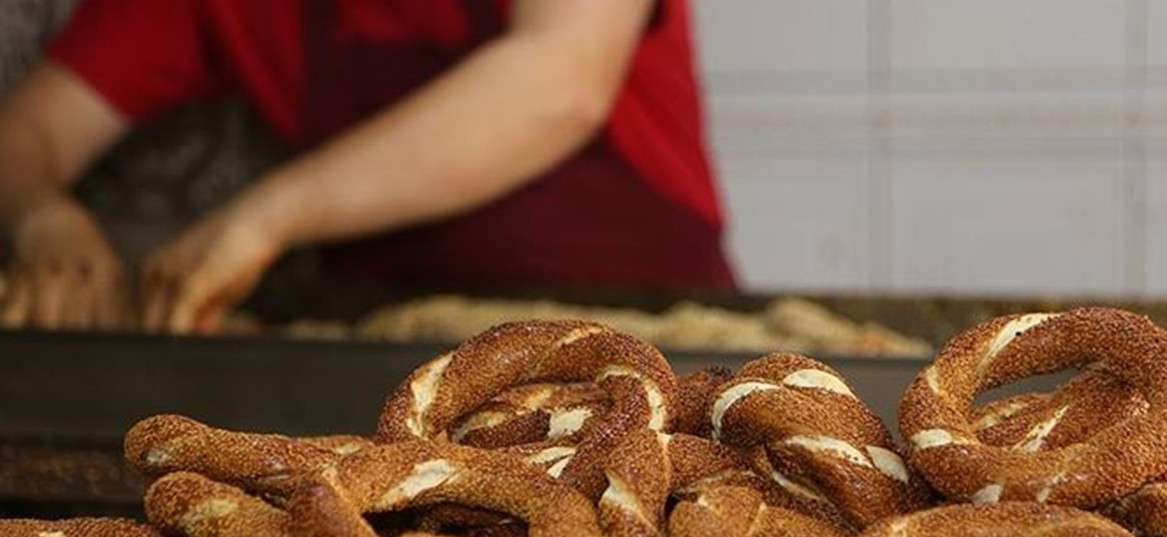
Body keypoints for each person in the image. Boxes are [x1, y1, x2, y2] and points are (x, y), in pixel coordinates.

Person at [0, 0, 736, 334]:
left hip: (652, 346)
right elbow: (27, 132)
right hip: (383, 375)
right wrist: (40, 216)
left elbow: (558, 83)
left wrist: (270, 214)